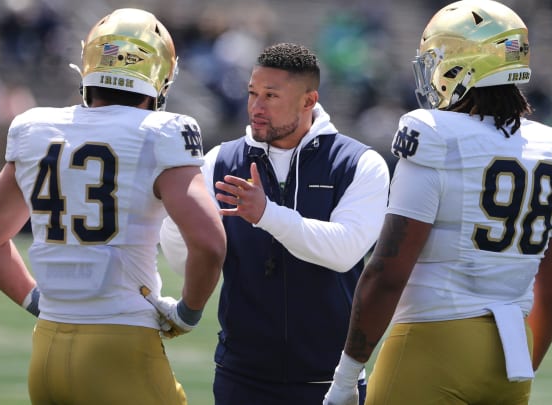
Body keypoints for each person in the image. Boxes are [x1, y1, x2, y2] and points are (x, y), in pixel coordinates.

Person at [0, 8, 226, 405]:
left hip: (47, 351)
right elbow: (209, 244)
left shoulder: (37, 128)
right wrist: (187, 313)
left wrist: (37, 300)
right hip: (121, 349)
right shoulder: (163, 133)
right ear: (161, 74)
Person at [323, 1, 552, 404]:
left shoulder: (435, 134)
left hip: (432, 343)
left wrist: (344, 380)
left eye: (438, 58)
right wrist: (525, 365)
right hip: (511, 357)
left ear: (464, 64)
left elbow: (386, 273)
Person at [160, 42, 390, 404]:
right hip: (241, 376)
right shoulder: (220, 160)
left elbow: (344, 251)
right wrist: (178, 219)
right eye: (252, 93)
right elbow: (184, 257)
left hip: (329, 382)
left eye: (270, 95)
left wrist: (267, 214)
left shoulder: (359, 163)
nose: (256, 106)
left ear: (308, 101)